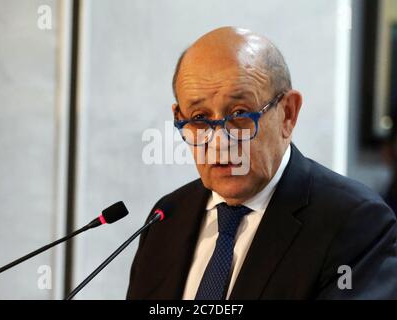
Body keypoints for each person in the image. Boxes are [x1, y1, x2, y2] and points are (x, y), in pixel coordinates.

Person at [127, 26, 397, 299]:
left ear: (288, 114)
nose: (220, 141)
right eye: (199, 118)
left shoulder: (355, 223)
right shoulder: (167, 219)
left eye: (240, 113)